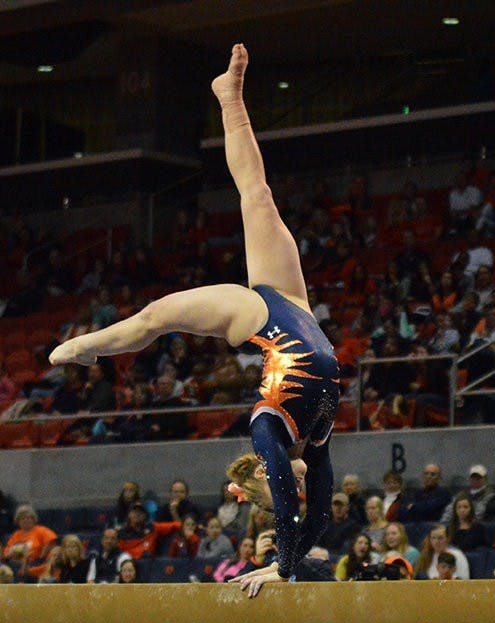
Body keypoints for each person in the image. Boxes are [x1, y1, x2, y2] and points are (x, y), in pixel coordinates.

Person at [51, 44, 339, 595]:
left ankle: (89, 345)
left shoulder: (267, 427)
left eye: (281, 486)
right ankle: (229, 98)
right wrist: (284, 566)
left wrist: (279, 561)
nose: (299, 488)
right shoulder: (318, 437)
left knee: (158, 316)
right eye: (296, 487)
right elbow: (320, 516)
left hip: (257, 316)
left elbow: (287, 498)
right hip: (295, 307)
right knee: (259, 196)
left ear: (260, 472)